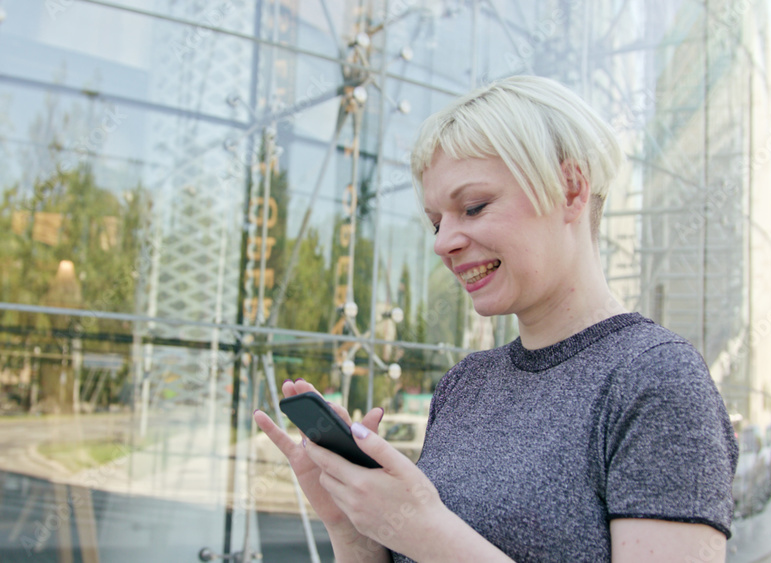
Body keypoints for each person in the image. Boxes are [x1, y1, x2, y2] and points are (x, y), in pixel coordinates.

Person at [254, 75, 737, 562]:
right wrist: (356, 525)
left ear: (570, 190)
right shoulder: (466, 384)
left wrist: (426, 530)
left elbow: (436, 539)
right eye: (436, 221)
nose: (443, 243)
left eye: (473, 206)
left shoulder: (655, 380)